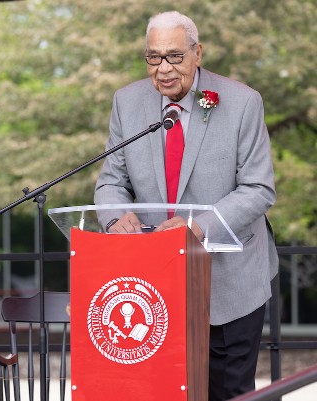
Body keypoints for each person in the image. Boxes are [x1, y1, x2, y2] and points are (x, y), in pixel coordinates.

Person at [94, 10, 279, 401]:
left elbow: (258, 189)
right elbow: (111, 182)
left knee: (226, 392)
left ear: (198, 53)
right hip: (151, 286)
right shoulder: (127, 103)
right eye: (154, 57)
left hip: (228, 281)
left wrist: (197, 227)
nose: (163, 69)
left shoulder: (242, 102)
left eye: (175, 56)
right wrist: (114, 217)